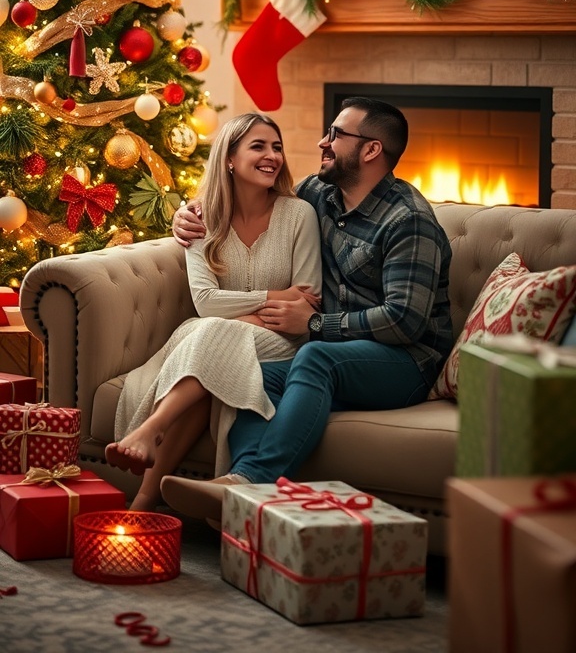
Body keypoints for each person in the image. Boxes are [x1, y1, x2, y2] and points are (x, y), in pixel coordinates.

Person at [161, 96, 453, 523]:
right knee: (250, 372)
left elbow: (404, 321)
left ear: (371, 150)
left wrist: (314, 323)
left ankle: (248, 482)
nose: (322, 141)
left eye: (336, 135)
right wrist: (185, 214)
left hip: (406, 361)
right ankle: (242, 502)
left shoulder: (408, 220)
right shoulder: (321, 194)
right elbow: (248, 200)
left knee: (316, 357)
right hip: (345, 351)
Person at [105, 112, 321, 511]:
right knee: (214, 362)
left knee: (211, 335)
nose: (272, 155)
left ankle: (152, 430)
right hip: (223, 341)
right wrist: (273, 295)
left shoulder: (299, 215)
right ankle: (145, 501)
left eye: (277, 147)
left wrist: (236, 313)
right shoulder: (201, 218)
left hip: (284, 343)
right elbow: (205, 301)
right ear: (229, 159)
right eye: (258, 146)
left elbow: (305, 302)